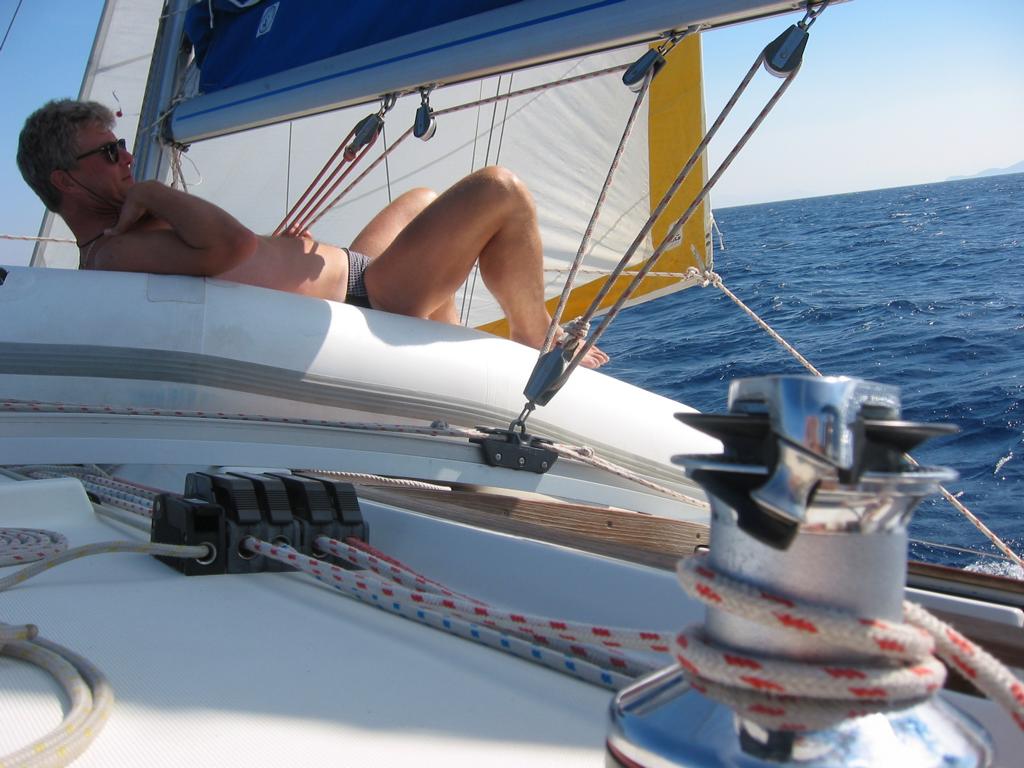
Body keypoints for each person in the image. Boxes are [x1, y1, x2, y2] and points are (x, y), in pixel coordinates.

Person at [17, 99, 607, 368]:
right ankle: (534, 338)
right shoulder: (110, 252)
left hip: (358, 273)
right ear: (65, 181)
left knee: (423, 200)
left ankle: (453, 348)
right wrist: (153, 191)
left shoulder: (124, 241)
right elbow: (234, 247)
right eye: (109, 153)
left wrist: (281, 249)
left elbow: (234, 262)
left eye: (122, 147)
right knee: (499, 191)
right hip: (370, 299)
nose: (126, 159)